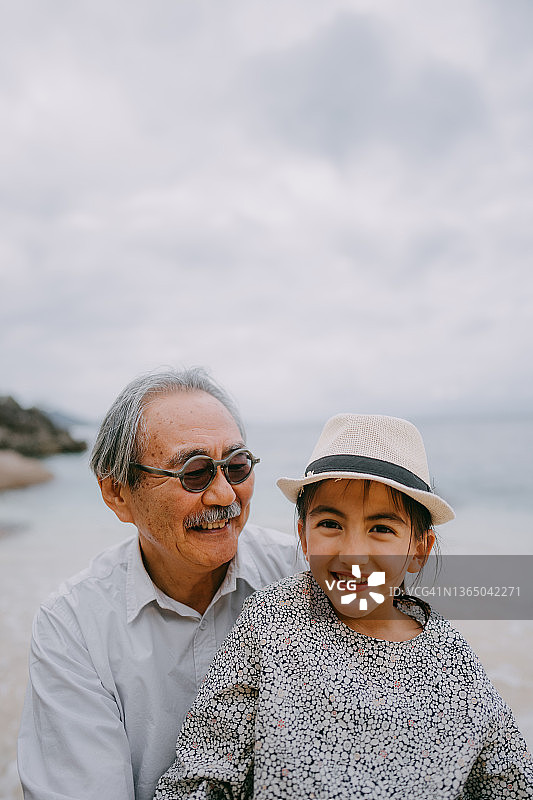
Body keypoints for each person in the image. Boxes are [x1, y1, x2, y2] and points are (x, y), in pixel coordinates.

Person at [154, 413, 533, 799]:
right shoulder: (270, 622)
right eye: (331, 525)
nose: (353, 553)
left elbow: (509, 781)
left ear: (419, 550)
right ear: (303, 536)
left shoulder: (453, 663)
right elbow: (205, 771)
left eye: (381, 529)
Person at [17, 368, 305, 800]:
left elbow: (416, 597)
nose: (225, 495)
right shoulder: (73, 628)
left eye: (237, 466)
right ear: (118, 494)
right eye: (194, 472)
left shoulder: (303, 571)